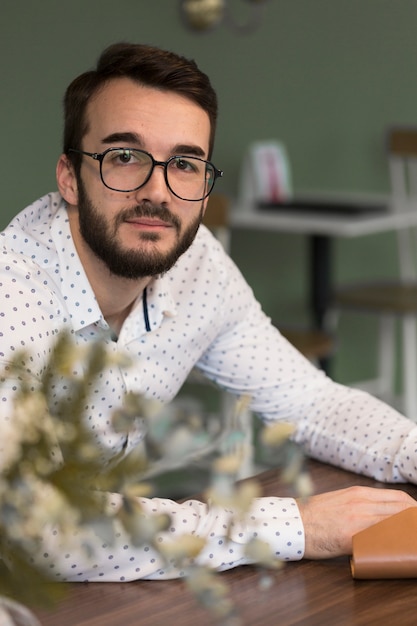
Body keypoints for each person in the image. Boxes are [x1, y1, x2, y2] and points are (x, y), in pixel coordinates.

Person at [0, 42, 416, 582]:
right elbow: (34, 526)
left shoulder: (196, 266)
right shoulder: (13, 296)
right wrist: (296, 527)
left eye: (185, 163)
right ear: (69, 177)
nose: (157, 190)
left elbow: (307, 401)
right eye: (124, 156)